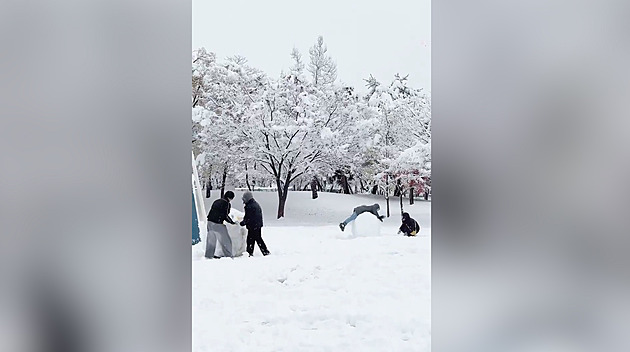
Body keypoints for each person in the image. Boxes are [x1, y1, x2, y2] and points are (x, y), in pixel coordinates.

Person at [205, 191, 236, 259]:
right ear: (229, 198)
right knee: (226, 240)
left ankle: (209, 255)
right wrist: (231, 222)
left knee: (211, 239)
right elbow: (225, 215)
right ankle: (229, 255)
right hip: (217, 223)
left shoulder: (217, 201)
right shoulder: (226, 203)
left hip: (209, 222)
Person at [239, 191, 269, 256]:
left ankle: (250, 252)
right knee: (256, 238)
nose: (243, 200)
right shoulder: (254, 204)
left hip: (253, 225)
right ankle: (263, 251)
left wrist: (243, 223)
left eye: (244, 199)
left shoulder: (249, 206)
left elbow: (248, 217)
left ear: (247, 198)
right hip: (257, 224)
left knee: (252, 239)